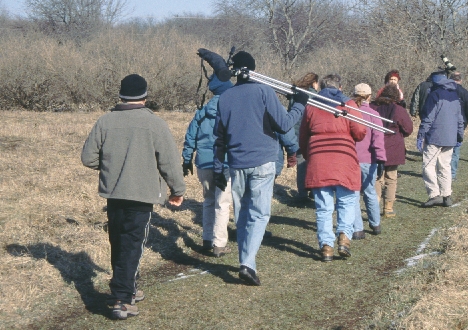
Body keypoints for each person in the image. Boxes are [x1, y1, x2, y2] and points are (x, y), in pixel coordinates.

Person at [81, 74, 186, 320]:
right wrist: (177, 190)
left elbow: (88, 158)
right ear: (145, 97)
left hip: (114, 194)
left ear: (120, 95)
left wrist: (110, 166)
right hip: (142, 195)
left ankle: (129, 287)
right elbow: (170, 162)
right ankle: (122, 299)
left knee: (119, 243)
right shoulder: (155, 123)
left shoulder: (105, 121)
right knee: (132, 245)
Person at [210, 49, 309, 286]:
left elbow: (219, 138)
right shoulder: (264, 91)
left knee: (243, 213)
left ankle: (246, 260)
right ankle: (247, 263)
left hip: (235, 163)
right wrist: (299, 105)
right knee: (259, 213)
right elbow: (284, 125)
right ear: (254, 70)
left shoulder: (225, 97)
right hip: (263, 161)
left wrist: (217, 169)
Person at [299, 74, 366, 262]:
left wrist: (309, 156)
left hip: (319, 159)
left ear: (320, 87)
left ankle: (326, 246)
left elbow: (303, 135)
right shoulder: (349, 104)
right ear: (341, 87)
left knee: (323, 208)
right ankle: (344, 238)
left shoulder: (312, 105)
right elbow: (360, 132)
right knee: (346, 201)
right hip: (344, 157)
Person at [181, 72, 234, 258]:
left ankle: (206, 239)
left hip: (203, 162)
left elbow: (190, 138)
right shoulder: (231, 110)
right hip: (225, 162)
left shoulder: (201, 112)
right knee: (223, 203)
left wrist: (186, 160)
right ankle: (219, 244)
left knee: (208, 201)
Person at [416, 71, 464, 208]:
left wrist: (421, 135)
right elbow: (459, 119)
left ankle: (434, 194)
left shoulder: (434, 95)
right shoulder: (454, 95)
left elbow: (428, 118)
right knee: (445, 166)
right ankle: (447, 195)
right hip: (450, 138)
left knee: (428, 166)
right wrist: (459, 135)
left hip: (434, 137)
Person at [370, 84, 413, 217]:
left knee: (377, 178)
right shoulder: (398, 109)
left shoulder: (372, 107)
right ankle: (388, 208)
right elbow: (408, 129)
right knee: (391, 177)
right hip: (393, 147)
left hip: (375, 146)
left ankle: (375, 206)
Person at [351, 83, 386, 239]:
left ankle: (358, 229)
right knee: (370, 191)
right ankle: (375, 224)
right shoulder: (374, 115)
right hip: (368, 159)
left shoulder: (349, 114)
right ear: (370, 96)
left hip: (351, 159)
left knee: (353, 194)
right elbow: (378, 140)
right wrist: (381, 160)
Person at [289, 72, 319, 200]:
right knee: (314, 163)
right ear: (314, 82)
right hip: (311, 133)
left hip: (296, 133)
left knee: (301, 164)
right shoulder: (316, 97)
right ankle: (313, 190)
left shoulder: (295, 94)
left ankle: (302, 193)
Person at [450, 72, 468, 180]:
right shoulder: (465, 93)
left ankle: (442, 172)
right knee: (456, 149)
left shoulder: (444, 91)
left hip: (445, 123)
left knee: (444, 149)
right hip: (460, 124)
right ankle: (452, 174)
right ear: (460, 80)